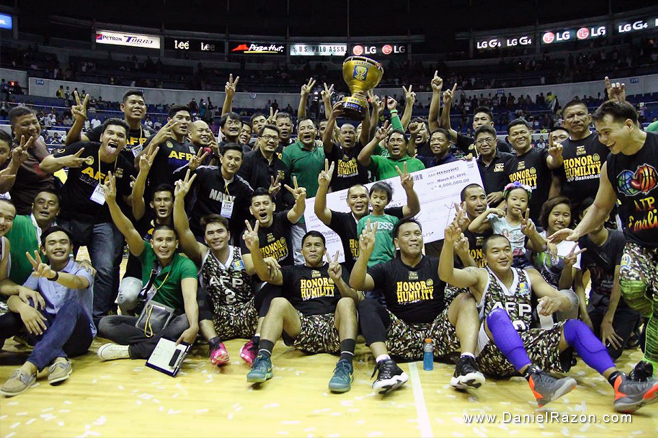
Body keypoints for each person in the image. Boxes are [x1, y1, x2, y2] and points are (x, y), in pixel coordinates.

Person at [439, 224, 658, 413]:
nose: (503, 255)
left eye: (506, 250)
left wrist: (557, 302)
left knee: (574, 326)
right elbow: (447, 275)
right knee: (497, 315)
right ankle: (537, 380)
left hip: (525, 347)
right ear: (485, 257)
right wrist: (448, 243)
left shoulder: (529, 275)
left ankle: (620, 383)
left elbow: (565, 300)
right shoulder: (479, 275)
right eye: (496, 251)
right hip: (491, 352)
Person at [551, 100, 658, 379]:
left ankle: (652, 362)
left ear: (629, 124)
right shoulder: (611, 163)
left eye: (607, 132)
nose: (603, 139)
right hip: (639, 242)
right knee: (634, 288)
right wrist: (577, 232)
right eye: (598, 134)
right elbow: (600, 207)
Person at [349, 219, 484, 393]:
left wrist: (464, 254)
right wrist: (364, 254)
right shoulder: (387, 268)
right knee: (367, 304)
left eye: (417, 233)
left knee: (466, 298)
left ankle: (466, 363)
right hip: (401, 336)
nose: (413, 238)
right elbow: (356, 283)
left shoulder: (436, 264)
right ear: (396, 242)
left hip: (435, 334)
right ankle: (386, 365)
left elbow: (476, 279)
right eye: (407, 234)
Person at [40, 119, 136, 324]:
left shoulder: (125, 166)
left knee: (105, 269)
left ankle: (97, 317)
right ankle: (52, 310)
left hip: (101, 221)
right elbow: (45, 164)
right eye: (110, 133)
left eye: (120, 136)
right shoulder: (83, 149)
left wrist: (139, 184)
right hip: (68, 217)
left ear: (125, 143)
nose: (115, 138)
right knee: (57, 263)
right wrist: (65, 162)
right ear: (101, 137)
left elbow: (130, 199)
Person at [244, 227, 360, 393]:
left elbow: (355, 300)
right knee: (278, 302)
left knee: (347, 301)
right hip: (303, 328)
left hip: (333, 329)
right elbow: (265, 276)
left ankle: (345, 365)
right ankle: (263, 359)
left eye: (317, 245)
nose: (313, 249)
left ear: (325, 250)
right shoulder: (293, 271)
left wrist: (338, 280)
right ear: (301, 250)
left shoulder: (337, 269)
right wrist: (255, 249)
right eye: (308, 245)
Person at [97, 173, 199, 361]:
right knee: (105, 323)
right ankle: (159, 343)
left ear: (177, 244)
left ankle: (131, 351)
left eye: (169, 240)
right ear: (151, 243)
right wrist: (111, 202)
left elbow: (190, 298)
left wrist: (193, 327)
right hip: (147, 318)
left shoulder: (185, 265)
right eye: (159, 240)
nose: (164, 245)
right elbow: (127, 229)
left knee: (187, 321)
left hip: (172, 319)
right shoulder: (146, 253)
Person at [173, 170, 256, 367]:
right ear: (205, 237)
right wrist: (179, 200)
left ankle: (256, 344)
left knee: (269, 290)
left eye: (220, 231)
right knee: (199, 295)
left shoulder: (242, 253)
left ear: (228, 234)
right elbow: (183, 230)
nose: (215, 236)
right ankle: (215, 345)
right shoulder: (203, 253)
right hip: (218, 321)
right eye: (210, 233)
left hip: (247, 317)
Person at [0, 226, 94, 396]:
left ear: (72, 247)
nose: (58, 246)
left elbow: (78, 282)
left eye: (63, 242)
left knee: (71, 306)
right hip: (48, 334)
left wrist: (53, 275)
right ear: (43, 249)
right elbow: (15, 297)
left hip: (78, 338)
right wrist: (23, 308)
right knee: (30, 301)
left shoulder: (82, 268)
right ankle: (59, 359)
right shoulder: (38, 272)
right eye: (52, 243)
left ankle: (29, 368)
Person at [314, 160, 419, 272]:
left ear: (369, 199)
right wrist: (323, 187)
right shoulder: (343, 220)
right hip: (356, 277)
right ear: (347, 202)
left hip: (388, 271)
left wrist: (409, 189)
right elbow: (320, 211)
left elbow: (413, 209)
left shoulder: (384, 215)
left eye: (363, 196)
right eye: (354, 197)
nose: (359, 200)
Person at [576, 197, 641, 361]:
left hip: (624, 304)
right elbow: (577, 283)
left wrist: (608, 319)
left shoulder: (619, 239)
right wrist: (584, 316)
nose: (593, 219)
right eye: (587, 215)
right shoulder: (580, 242)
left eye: (597, 214)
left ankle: (633, 326)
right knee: (580, 346)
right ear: (582, 219)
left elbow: (618, 281)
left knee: (610, 353)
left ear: (606, 217)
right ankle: (629, 334)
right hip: (598, 303)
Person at [175, 143, 253, 241]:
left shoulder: (243, 187)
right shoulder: (205, 173)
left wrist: (271, 195)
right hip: (198, 233)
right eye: (229, 158)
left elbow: (255, 203)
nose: (232, 163)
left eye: (237, 159)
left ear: (241, 162)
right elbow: (175, 177)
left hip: (223, 237)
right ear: (221, 159)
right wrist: (190, 168)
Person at [469, 182, 547, 268]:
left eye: (523, 200)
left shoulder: (528, 223)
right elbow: (472, 227)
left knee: (533, 277)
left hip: (521, 260)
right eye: (514, 199)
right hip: (500, 259)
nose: (518, 203)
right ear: (505, 203)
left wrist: (531, 234)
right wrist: (489, 211)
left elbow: (542, 247)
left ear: (527, 206)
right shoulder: (497, 219)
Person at [552, 100, 609, 211]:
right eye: (570, 116)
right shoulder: (559, 149)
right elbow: (556, 184)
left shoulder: (604, 140)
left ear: (589, 118)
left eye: (580, 114)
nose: (576, 119)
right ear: (564, 123)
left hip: (606, 209)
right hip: (572, 212)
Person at [281, 118, 324, 264]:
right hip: (299, 212)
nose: (306, 131)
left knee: (321, 250)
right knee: (300, 254)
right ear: (298, 132)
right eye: (303, 128)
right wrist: (290, 201)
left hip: (319, 211)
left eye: (310, 128)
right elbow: (282, 181)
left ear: (316, 131)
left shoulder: (323, 151)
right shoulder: (289, 151)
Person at [66, 90, 153, 160]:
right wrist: (79, 122)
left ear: (145, 109)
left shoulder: (153, 135)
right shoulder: (108, 130)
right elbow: (72, 144)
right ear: (122, 107)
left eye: (141, 103)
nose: (137, 106)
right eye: (133, 102)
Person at [507, 119, 563, 222]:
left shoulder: (540, 153)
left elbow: (553, 163)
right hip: (519, 222)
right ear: (509, 139)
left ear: (530, 133)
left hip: (543, 218)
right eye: (515, 134)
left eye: (523, 132)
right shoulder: (509, 163)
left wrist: (556, 157)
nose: (520, 136)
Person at [4, 190, 59, 286]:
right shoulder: (16, 221)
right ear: (33, 206)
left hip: (36, 290)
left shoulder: (59, 233)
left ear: (58, 211)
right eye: (41, 202)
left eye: (51, 203)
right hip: (6, 286)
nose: (45, 206)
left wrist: (84, 263)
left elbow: (68, 263)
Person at [7, 106, 55, 215]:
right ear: (14, 129)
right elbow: (4, 186)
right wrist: (15, 163)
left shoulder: (41, 144)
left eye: (35, 122)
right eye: (25, 124)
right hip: (27, 212)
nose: (32, 127)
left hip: (50, 208)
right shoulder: (11, 152)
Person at [139, 105, 197, 194]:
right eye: (180, 118)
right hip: (159, 199)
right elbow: (137, 164)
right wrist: (154, 143)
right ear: (169, 121)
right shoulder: (157, 139)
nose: (184, 122)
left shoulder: (193, 148)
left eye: (188, 119)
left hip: (183, 200)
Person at [237, 124, 292, 209]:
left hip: (275, 214)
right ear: (259, 140)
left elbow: (285, 193)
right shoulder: (246, 160)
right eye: (267, 137)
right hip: (250, 211)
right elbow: (241, 190)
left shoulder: (282, 166)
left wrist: (295, 198)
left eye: (275, 138)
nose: (271, 141)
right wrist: (267, 194)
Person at [322, 103, 371, 192]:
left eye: (351, 132)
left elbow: (365, 133)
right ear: (339, 137)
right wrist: (332, 116)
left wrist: (365, 110)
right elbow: (325, 140)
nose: (348, 135)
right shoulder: (334, 150)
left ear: (356, 136)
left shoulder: (360, 148)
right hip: (338, 196)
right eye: (344, 132)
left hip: (359, 194)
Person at [358, 127, 425, 182]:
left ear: (406, 145)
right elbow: (361, 158)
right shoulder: (380, 161)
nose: (395, 143)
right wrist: (376, 139)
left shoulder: (417, 163)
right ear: (387, 145)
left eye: (399, 140)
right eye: (392, 140)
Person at [473, 126, 516, 207]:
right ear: (476, 145)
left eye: (488, 140)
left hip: (506, 210)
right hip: (482, 212)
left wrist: (502, 194)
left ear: (496, 142)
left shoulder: (509, 159)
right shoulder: (473, 165)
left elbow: (518, 184)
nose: (484, 144)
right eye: (480, 141)